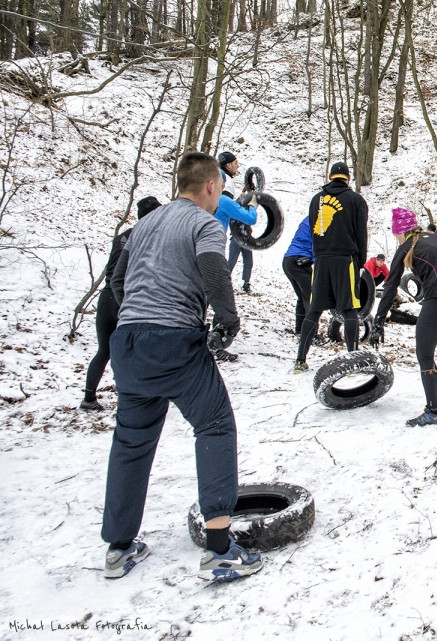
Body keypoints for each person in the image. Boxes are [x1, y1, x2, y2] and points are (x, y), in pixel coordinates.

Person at [102, 151, 262, 582]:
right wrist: (227, 320)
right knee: (214, 425)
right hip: (173, 341)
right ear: (211, 186)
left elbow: (117, 281)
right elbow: (213, 268)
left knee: (132, 442)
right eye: (219, 191)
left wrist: (138, 315)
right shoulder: (203, 223)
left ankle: (118, 549)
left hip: (128, 343)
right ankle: (218, 549)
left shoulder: (144, 224)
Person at [371, 207, 437, 426]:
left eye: (395, 232)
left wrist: (378, 321)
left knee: (425, 355)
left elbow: (390, 285)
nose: (396, 237)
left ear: (402, 231)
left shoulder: (407, 246)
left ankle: (433, 410)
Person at [80, 196, 162, 411]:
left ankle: (89, 398)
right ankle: (141, 396)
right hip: (128, 297)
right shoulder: (149, 237)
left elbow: (113, 271)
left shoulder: (122, 236)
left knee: (104, 350)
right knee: (140, 349)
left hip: (106, 296)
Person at [294, 162, 368, 372]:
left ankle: (300, 360)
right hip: (345, 260)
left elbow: (312, 230)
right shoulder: (356, 200)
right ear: (348, 178)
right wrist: (360, 261)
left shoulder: (316, 199)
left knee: (314, 310)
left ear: (330, 176)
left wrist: (317, 254)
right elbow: (361, 233)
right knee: (349, 309)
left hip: (321, 260)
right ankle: (353, 359)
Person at [218, 152, 256, 294]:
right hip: (221, 239)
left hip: (235, 237)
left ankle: (243, 283)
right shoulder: (224, 193)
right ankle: (223, 283)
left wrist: (244, 193)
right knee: (230, 262)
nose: (237, 166)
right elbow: (248, 217)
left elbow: (233, 206)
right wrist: (253, 204)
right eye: (235, 163)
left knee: (247, 262)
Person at [282, 215, 314, 336]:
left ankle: (300, 329)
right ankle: (310, 334)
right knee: (310, 298)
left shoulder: (307, 220)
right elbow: (318, 245)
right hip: (299, 261)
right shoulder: (318, 222)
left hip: (288, 260)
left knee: (302, 297)